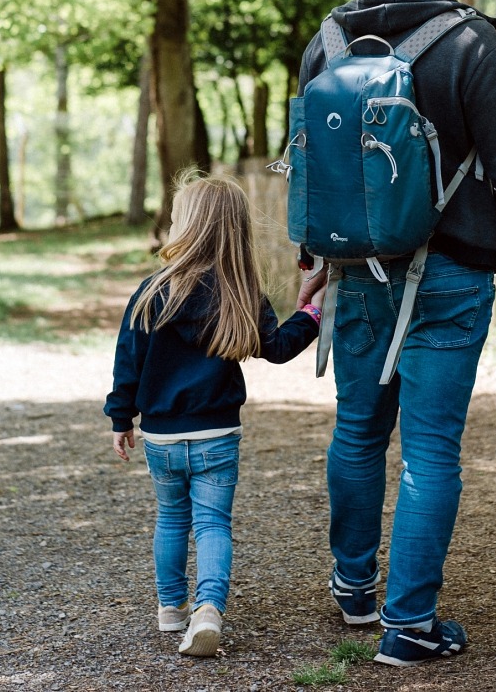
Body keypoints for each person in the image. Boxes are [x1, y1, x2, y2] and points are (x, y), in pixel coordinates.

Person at [296, 0, 496, 667]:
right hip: (449, 280)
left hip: (353, 274)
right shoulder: (470, 42)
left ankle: (355, 589)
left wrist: (312, 261)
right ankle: (409, 625)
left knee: (356, 431)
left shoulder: (329, 42)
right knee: (428, 452)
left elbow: (314, 165)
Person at [105, 172, 325, 657]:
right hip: (217, 434)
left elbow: (128, 362)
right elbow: (279, 348)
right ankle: (208, 609)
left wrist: (121, 418)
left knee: (170, 518)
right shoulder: (239, 292)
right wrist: (311, 313)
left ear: (183, 225)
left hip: (162, 437)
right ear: (236, 230)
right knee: (211, 524)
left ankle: (170, 609)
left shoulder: (150, 291)